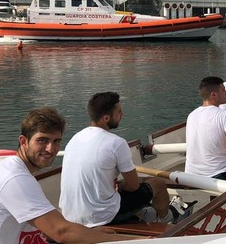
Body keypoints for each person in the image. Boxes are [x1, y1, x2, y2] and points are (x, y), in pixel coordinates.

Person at [0, 108, 136, 244]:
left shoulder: (14, 170)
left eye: (56, 141)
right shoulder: (14, 179)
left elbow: (51, 230)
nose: (51, 149)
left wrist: (92, 236)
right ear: (23, 141)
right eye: (42, 140)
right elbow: (62, 231)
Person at [60, 92, 181, 226]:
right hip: (101, 217)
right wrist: (123, 186)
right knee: (158, 183)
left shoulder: (75, 139)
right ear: (106, 118)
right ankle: (168, 219)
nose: (122, 115)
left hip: (69, 215)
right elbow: (134, 186)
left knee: (123, 183)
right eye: (119, 112)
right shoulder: (116, 143)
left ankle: (143, 213)